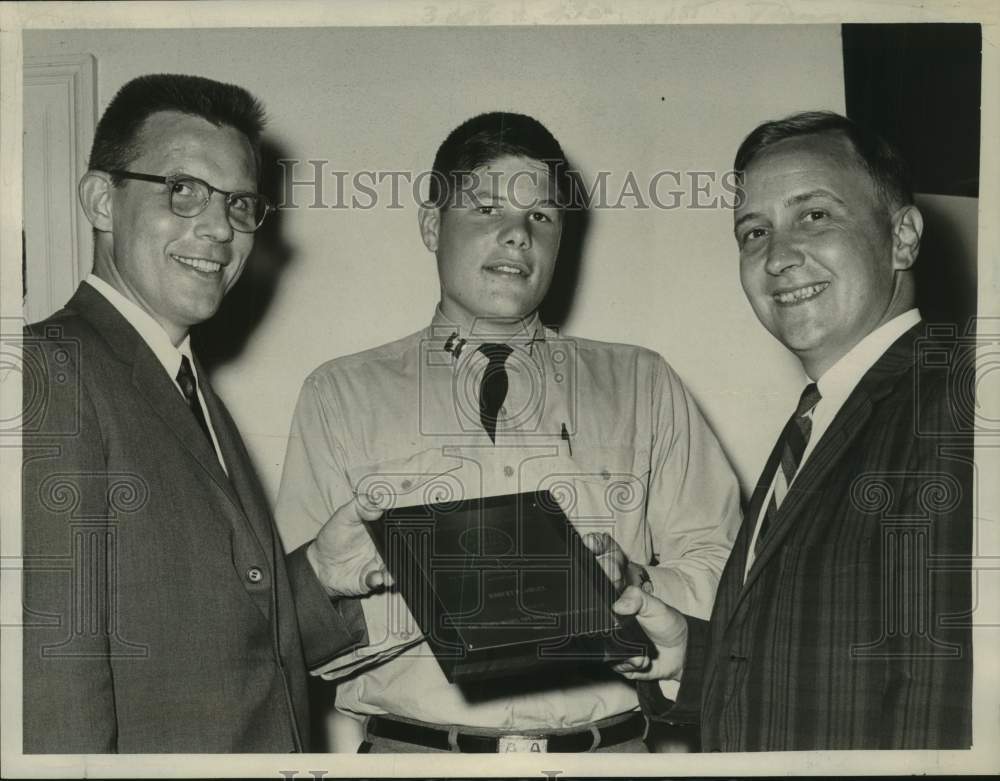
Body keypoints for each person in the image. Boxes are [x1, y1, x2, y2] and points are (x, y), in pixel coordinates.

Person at [275, 111, 741, 753]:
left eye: (542, 217)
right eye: (488, 207)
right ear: (432, 224)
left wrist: (628, 586)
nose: (518, 234)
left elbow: (726, 573)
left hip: (607, 758)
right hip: (414, 760)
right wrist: (437, 602)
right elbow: (291, 623)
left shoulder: (645, 382)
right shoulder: (338, 394)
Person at [21, 73, 388, 753]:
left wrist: (318, 576)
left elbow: (221, 658)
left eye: (240, 203)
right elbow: (52, 695)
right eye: (182, 190)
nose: (220, 227)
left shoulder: (186, 385)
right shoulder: (48, 371)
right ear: (102, 199)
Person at [609, 111, 973, 750]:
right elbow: (825, 676)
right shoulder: (818, 418)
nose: (777, 257)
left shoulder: (959, 400)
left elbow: (955, 695)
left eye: (815, 216)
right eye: (753, 232)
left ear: (903, 236)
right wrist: (689, 653)